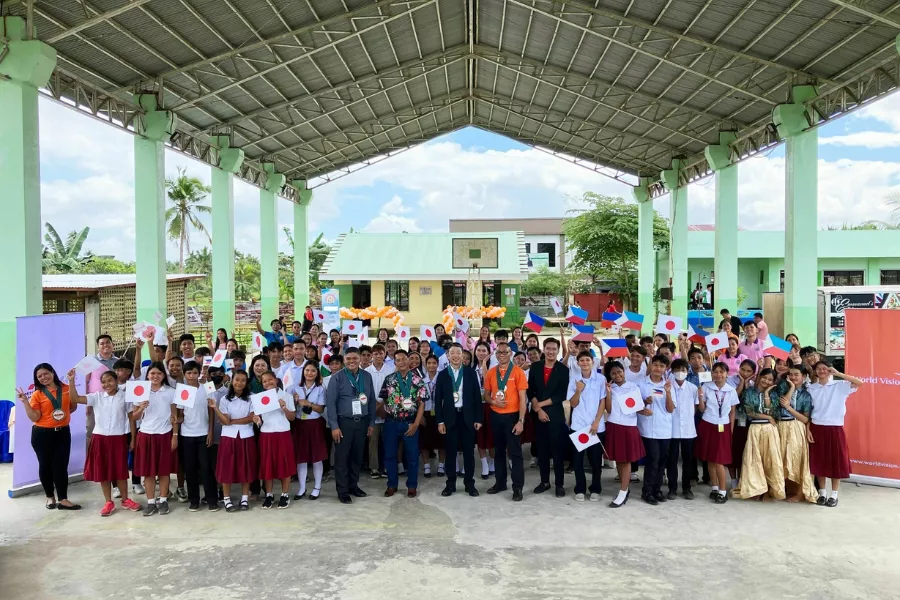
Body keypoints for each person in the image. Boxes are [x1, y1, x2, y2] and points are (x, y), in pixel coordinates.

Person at [65, 368, 141, 515]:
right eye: (104, 382)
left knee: (121, 471)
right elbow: (75, 399)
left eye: (110, 381)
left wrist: (133, 438)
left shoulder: (125, 397)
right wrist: (71, 381)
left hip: (118, 438)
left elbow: (132, 418)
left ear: (116, 381)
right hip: (99, 438)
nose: (107, 384)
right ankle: (108, 502)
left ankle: (125, 500)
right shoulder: (97, 397)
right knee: (103, 471)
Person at [808, 363, 864, 507]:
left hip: (835, 427)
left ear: (830, 370)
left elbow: (859, 382)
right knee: (819, 461)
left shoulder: (840, 385)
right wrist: (808, 429)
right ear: (815, 372)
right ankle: (822, 492)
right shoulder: (811, 388)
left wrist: (839, 374)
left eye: (825, 368)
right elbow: (808, 411)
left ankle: (834, 494)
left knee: (836, 462)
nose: (822, 371)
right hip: (817, 427)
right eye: (818, 369)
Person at [326, 348, 377, 504]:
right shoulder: (337, 378)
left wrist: (371, 422)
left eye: (355, 358)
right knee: (342, 458)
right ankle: (342, 491)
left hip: (362, 422)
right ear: (344, 359)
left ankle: (353, 486)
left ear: (360, 359)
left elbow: (372, 400)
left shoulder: (367, 376)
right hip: (344, 423)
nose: (352, 361)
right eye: (348, 358)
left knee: (357, 457)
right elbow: (331, 403)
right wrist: (334, 426)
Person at [434, 343, 483, 497]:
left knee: (469, 453)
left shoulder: (470, 373)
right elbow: (437, 400)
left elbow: (477, 397)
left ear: (463, 356)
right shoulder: (442, 374)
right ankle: (450, 485)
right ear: (448, 356)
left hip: (467, 418)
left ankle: (470, 484)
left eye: (458, 353)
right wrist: (440, 421)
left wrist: (478, 418)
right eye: (452, 353)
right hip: (450, 419)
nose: (455, 356)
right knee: (450, 453)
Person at [378, 350, 427, 497]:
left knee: (412, 456)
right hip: (391, 423)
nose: (401, 362)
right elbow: (384, 400)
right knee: (390, 455)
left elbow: (422, 404)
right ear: (395, 363)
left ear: (408, 361)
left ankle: (412, 486)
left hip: (410, 423)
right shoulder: (389, 379)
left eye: (404, 359)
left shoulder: (418, 380)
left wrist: (416, 424)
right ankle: (392, 485)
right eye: (398, 360)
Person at [483, 342, 528, 501]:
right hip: (495, 416)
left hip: (513, 417)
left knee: (515, 454)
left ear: (511, 354)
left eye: (505, 352)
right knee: (498, 452)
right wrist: (493, 402)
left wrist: (521, 421)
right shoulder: (490, 373)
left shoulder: (518, 372)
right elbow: (486, 395)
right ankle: (500, 482)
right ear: (496, 355)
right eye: (499, 353)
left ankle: (517, 488)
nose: (502, 355)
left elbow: (523, 399)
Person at [131, 362, 178, 516]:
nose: (155, 376)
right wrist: (141, 407)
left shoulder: (170, 391)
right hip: (145, 435)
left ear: (163, 375)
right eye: (152, 374)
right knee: (148, 472)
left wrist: (175, 436)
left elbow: (174, 416)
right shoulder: (140, 392)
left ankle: (163, 500)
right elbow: (134, 417)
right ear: (148, 375)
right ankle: (151, 502)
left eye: (158, 373)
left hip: (165, 434)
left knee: (164, 471)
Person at [733, 368, 786, 501]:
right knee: (754, 459)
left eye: (770, 380)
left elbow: (774, 412)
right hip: (755, 428)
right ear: (759, 377)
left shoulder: (774, 394)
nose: (766, 381)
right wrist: (767, 417)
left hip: (771, 430)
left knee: (770, 459)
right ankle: (755, 489)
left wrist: (767, 394)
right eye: (764, 378)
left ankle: (769, 490)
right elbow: (749, 412)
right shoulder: (749, 392)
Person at [527, 338, 570, 497]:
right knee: (542, 450)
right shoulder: (535, 367)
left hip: (555, 414)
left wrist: (540, 405)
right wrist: (537, 409)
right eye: (548, 348)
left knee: (557, 451)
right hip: (538, 415)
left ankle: (560, 484)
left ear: (558, 351)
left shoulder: (563, 370)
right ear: (543, 349)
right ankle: (544, 481)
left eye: (554, 349)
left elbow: (562, 394)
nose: (551, 351)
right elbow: (530, 389)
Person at [211, 370, 257, 512]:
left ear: (246, 382)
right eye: (237, 379)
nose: (239, 383)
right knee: (227, 468)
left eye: (243, 380)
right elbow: (224, 421)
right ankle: (226, 499)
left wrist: (232, 421)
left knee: (245, 467)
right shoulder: (225, 399)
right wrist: (215, 409)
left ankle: (244, 498)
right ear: (232, 380)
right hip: (228, 437)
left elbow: (251, 418)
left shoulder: (252, 398)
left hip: (246, 436)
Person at [696, 363, 740, 504]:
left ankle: (723, 490)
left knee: (719, 460)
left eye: (721, 372)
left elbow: (732, 412)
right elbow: (702, 409)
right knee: (710, 457)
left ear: (727, 373)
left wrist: (731, 429)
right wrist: (700, 397)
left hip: (723, 425)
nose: (718, 375)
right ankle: (714, 487)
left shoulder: (731, 390)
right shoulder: (706, 387)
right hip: (708, 423)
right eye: (715, 372)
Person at [603, 361, 644, 508]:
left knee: (626, 460)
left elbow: (638, 407)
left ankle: (623, 490)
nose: (617, 375)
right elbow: (608, 409)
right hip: (614, 425)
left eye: (619, 372)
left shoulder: (633, 387)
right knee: (618, 460)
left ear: (623, 371)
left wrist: (646, 408)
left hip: (628, 426)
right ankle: (624, 487)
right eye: (613, 373)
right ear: (609, 375)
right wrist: (608, 393)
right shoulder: (610, 388)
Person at [177, 361, 218, 512]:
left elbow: (212, 411)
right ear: (184, 374)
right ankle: (194, 500)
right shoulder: (181, 390)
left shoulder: (207, 387)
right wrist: (176, 420)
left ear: (199, 373)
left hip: (203, 434)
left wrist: (211, 431)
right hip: (187, 435)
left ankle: (212, 499)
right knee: (190, 469)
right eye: (188, 373)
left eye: (194, 373)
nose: (192, 376)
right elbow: (181, 415)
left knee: (207, 468)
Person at [567, 351, 607, 502]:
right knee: (577, 460)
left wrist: (597, 421)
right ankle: (580, 489)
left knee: (596, 460)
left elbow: (602, 402)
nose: (584, 363)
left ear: (593, 362)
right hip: (578, 425)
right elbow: (572, 403)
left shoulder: (601, 379)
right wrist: (578, 390)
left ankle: (596, 488)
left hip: (596, 426)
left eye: (587, 360)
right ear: (578, 363)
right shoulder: (574, 379)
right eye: (581, 360)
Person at [254, 371, 295, 509]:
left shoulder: (286, 396)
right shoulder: (260, 398)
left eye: (270, 380)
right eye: (264, 381)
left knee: (285, 464)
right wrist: (257, 420)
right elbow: (258, 418)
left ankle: (284, 494)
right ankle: (269, 495)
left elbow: (292, 417)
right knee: (267, 465)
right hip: (266, 434)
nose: (267, 383)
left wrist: (284, 408)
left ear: (276, 380)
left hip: (283, 433)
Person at [638, 355, 675, 505]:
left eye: (662, 366)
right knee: (653, 460)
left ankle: (657, 489)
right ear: (651, 365)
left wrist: (668, 393)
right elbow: (634, 406)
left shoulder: (668, 385)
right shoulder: (641, 384)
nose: (658, 368)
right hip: (648, 429)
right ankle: (647, 491)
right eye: (656, 365)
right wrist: (644, 403)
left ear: (665, 368)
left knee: (661, 461)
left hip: (665, 429)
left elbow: (671, 409)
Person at [778, 365, 817, 503]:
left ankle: (800, 493)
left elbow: (806, 418)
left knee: (797, 459)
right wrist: (792, 388)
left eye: (796, 374)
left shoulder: (806, 395)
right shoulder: (782, 389)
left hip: (796, 427)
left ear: (804, 377)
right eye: (791, 374)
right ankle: (786, 489)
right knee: (781, 459)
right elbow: (780, 405)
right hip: (780, 426)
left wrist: (789, 408)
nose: (793, 377)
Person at [290, 363, 328, 500]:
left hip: (315, 424)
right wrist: (294, 401)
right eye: (307, 370)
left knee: (317, 458)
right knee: (301, 458)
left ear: (317, 373)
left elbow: (321, 409)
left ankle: (317, 487)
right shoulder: (295, 388)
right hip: (300, 424)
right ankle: (301, 488)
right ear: (303, 372)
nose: (310, 373)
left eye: (313, 370)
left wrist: (309, 404)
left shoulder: (320, 389)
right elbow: (290, 407)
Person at [667, 359, 699, 500]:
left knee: (688, 461)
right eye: (677, 370)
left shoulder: (693, 388)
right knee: (672, 461)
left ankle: (687, 488)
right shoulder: (667, 386)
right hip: (671, 430)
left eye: (683, 370)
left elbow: (696, 407)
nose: (680, 373)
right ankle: (672, 489)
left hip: (688, 430)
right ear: (672, 371)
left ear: (687, 372)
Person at [364, 343, 393, 479]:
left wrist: (383, 405)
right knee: (373, 441)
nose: (378, 356)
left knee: (388, 440)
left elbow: (393, 389)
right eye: (375, 354)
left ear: (384, 354)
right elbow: (365, 391)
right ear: (372, 356)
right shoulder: (367, 371)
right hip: (372, 411)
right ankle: (374, 467)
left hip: (387, 409)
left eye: (381, 353)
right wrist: (375, 405)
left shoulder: (391, 369)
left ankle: (387, 466)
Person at [473, 341, 495, 479]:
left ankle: (492, 461)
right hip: (476, 406)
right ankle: (484, 465)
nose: (481, 353)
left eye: (484, 351)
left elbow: (488, 382)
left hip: (490, 405)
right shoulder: (470, 368)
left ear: (489, 353)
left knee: (491, 436)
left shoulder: (494, 368)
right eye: (479, 350)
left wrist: (485, 364)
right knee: (479, 436)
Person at [420, 355, 443, 478]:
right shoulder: (422, 381)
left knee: (441, 442)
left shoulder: (442, 380)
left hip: (439, 414)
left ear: (438, 364)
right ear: (426, 365)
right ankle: (427, 466)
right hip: (426, 414)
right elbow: (418, 401)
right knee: (425, 442)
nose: (431, 365)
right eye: (429, 363)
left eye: (434, 363)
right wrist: (420, 417)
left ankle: (441, 464)